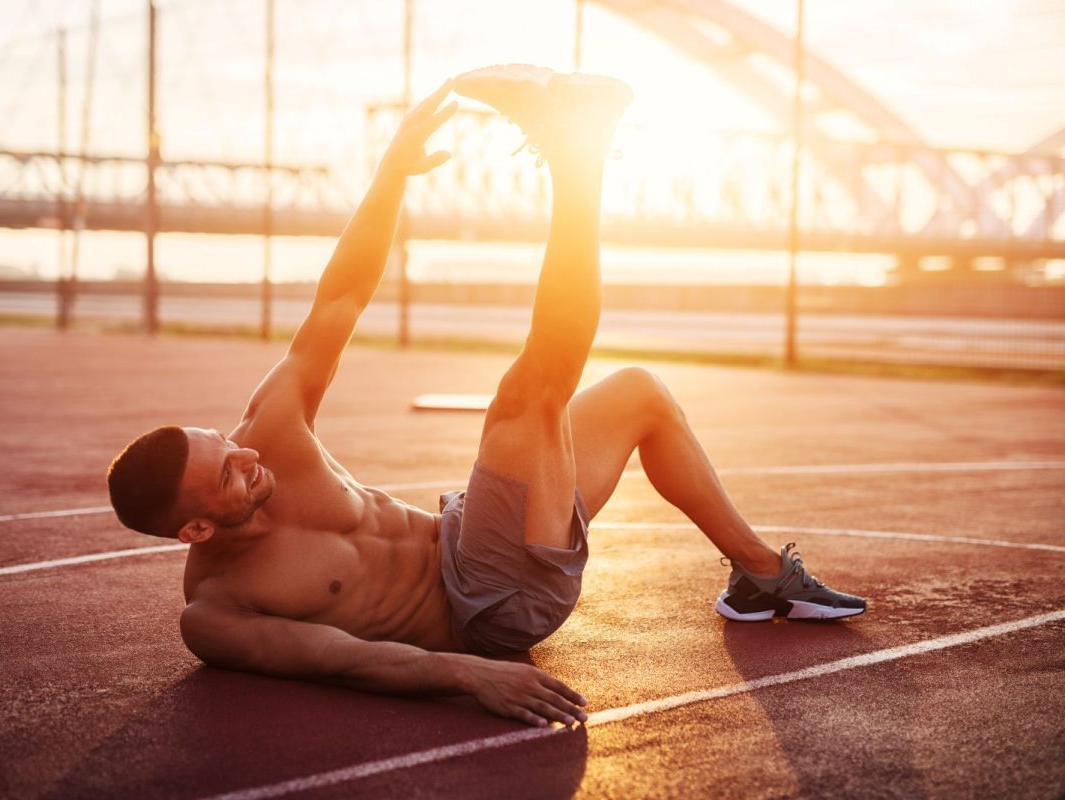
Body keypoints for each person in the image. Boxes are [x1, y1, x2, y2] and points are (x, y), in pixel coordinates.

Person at [106, 65, 866, 728]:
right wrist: (471, 674)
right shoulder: (218, 613)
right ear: (196, 529)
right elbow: (340, 661)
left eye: (225, 443)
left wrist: (392, 175)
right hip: (487, 610)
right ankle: (579, 160)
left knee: (640, 394)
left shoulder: (267, 432)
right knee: (526, 398)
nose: (245, 455)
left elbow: (338, 299)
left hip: (462, 531)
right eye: (228, 473)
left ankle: (760, 576)